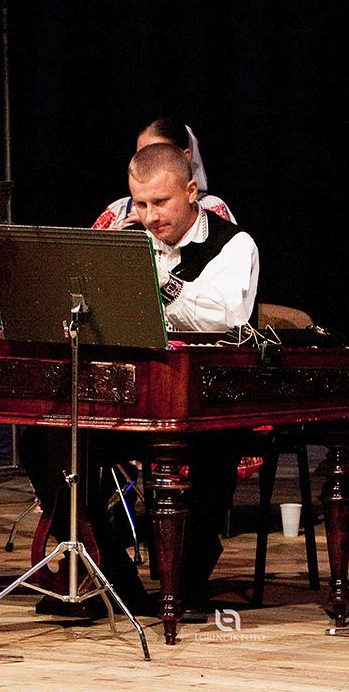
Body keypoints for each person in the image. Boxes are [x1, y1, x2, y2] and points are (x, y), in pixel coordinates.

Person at [22, 141, 259, 620]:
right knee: (41, 441)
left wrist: (154, 278)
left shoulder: (235, 245)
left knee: (209, 451)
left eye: (161, 202)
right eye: (141, 204)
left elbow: (226, 317)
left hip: (208, 399)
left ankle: (187, 577)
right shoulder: (128, 240)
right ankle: (114, 578)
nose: (150, 217)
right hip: (129, 396)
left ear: (190, 192)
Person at [92, 117, 235, 230]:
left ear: (185, 156)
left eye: (159, 153)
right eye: (142, 155)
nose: (149, 162)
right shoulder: (119, 211)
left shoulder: (209, 210)